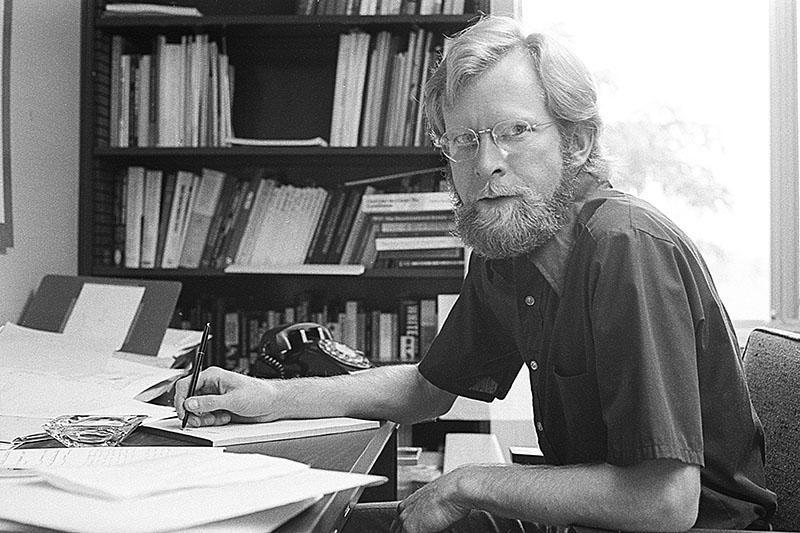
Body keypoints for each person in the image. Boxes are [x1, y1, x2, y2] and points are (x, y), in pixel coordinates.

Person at [174, 15, 776, 533]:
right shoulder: (510, 245)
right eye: (464, 140)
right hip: (590, 522)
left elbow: (665, 502)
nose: (487, 164)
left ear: (577, 141)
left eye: (516, 131)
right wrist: (270, 398)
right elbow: (427, 390)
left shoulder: (626, 247)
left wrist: (469, 485)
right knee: (312, 524)